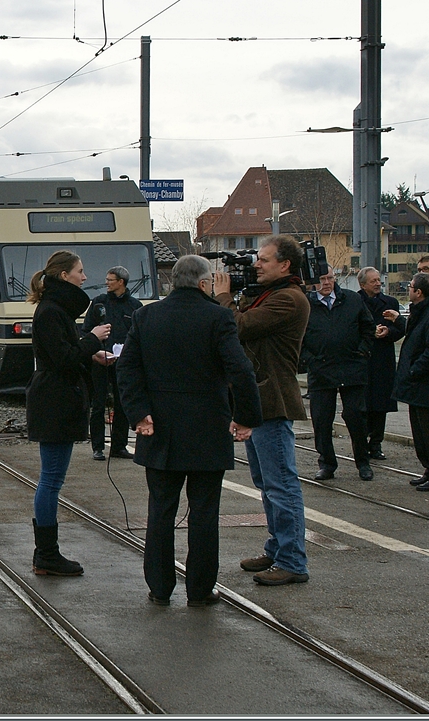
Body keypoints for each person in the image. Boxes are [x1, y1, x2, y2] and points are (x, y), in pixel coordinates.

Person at [116, 255, 262, 607]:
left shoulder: (146, 316)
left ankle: (159, 587)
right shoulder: (218, 317)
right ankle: (200, 589)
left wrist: (139, 413)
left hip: (159, 429)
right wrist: (245, 418)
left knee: (160, 510)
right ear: (204, 283)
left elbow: (127, 368)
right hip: (207, 428)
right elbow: (240, 370)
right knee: (204, 513)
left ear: (174, 281)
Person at [214, 235, 311, 587]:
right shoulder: (269, 295)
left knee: (281, 484)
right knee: (267, 484)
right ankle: (277, 549)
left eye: (264, 260)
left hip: (272, 401)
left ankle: (292, 561)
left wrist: (224, 296)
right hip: (256, 401)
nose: (257, 265)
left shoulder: (289, 299)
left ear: (285, 265)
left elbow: (237, 327)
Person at [25, 250, 110, 576]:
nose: (84, 277)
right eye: (80, 271)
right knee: (51, 479)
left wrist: (90, 353)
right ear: (64, 275)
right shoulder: (51, 312)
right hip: (55, 401)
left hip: (55, 399)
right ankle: (47, 554)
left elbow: (64, 352)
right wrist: (93, 340)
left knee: (51, 478)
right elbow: (62, 358)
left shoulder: (55, 309)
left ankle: (46, 553)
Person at [300, 269, 375, 481]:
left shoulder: (352, 300)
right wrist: (309, 359)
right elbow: (297, 337)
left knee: (356, 417)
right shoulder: (305, 304)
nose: (326, 283)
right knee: (322, 420)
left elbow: (368, 327)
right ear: (313, 282)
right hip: (321, 371)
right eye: (322, 279)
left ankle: (363, 462)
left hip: (351, 369)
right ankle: (327, 464)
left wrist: (362, 351)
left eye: (330, 278)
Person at [384, 272, 429, 491]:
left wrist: (413, 370)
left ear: (418, 292)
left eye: (410, 286)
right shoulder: (425, 311)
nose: (408, 289)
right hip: (420, 387)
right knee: (423, 434)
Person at [82, 266, 142, 461]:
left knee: (122, 404)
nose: (106, 282)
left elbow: (139, 335)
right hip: (100, 359)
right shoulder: (99, 303)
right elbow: (86, 330)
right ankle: (97, 447)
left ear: (121, 282)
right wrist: (96, 350)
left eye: (110, 280)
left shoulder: (135, 306)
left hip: (123, 363)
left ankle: (119, 446)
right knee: (98, 404)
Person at [357, 267, 403, 460]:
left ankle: (376, 443)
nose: (378, 284)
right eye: (373, 281)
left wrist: (388, 332)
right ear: (363, 284)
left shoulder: (390, 303)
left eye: (378, 280)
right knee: (361, 405)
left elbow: (400, 329)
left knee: (380, 404)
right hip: (361, 360)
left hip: (382, 360)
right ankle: (361, 444)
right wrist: (370, 332)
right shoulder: (354, 301)